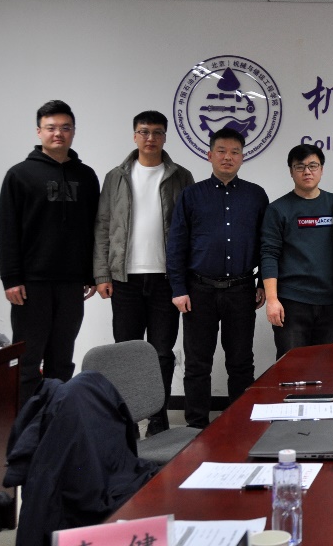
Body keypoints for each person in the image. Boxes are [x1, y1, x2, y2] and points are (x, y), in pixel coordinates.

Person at [93, 110, 195, 434]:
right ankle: (127, 420)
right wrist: (102, 274)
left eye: (157, 132)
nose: (150, 138)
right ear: (134, 135)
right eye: (144, 131)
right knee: (127, 352)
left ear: (165, 137)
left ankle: (158, 419)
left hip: (167, 280)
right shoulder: (116, 177)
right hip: (124, 280)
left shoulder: (181, 176)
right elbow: (103, 226)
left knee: (162, 353)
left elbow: (191, 229)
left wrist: (184, 278)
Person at [0, 100, 100, 406]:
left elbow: (94, 228)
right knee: (28, 361)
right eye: (51, 128)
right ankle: (27, 426)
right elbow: (7, 229)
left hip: (71, 284)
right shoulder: (19, 175)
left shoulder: (86, 176)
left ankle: (56, 421)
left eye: (65, 128)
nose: (58, 134)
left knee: (62, 360)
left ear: (73, 132)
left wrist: (91, 273)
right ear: (39, 131)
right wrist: (11, 278)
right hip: (31, 284)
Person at [167, 128, 268, 428]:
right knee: (197, 364)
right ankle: (195, 427)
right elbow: (177, 244)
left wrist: (262, 282)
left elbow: (267, 244)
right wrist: (178, 288)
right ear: (209, 155)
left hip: (241, 289)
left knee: (241, 362)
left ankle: (239, 425)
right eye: (221, 151)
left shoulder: (256, 195)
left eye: (235, 152)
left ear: (242, 157)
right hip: (199, 290)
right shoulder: (191, 195)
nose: (228, 157)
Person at [261, 144, 333, 360]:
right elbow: (269, 254)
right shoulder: (277, 209)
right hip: (291, 301)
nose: (307, 172)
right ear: (291, 171)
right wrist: (272, 299)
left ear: (322, 169)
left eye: (312, 166)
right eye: (299, 167)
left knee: (324, 365)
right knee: (291, 366)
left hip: (330, 301)